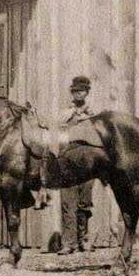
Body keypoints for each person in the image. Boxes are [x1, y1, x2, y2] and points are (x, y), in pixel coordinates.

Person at [53, 76, 97, 254]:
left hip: (87, 163)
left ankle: (83, 241)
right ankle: (68, 243)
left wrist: (87, 116)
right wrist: (73, 114)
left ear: (87, 92)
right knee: (67, 203)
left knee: (84, 203)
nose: (78, 93)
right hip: (68, 162)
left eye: (81, 90)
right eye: (75, 91)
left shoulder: (92, 114)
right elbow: (58, 129)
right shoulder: (65, 113)